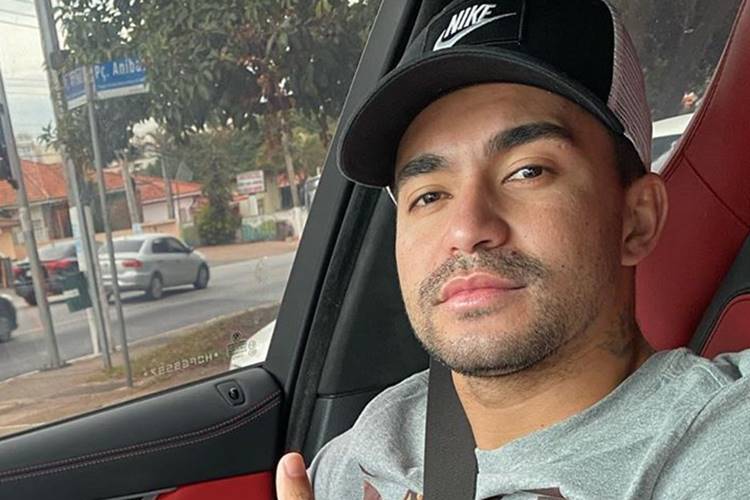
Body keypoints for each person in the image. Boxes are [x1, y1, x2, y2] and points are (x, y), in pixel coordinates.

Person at [277, 0, 750, 498]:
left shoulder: (720, 444)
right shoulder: (361, 453)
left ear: (637, 219)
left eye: (528, 171)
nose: (467, 229)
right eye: (429, 195)